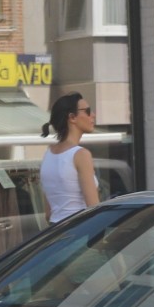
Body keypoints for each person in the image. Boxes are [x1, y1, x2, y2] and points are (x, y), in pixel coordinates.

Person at [39, 93, 100, 223]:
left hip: (55, 230)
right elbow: (93, 207)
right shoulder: (81, 154)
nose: (93, 115)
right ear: (72, 117)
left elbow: (48, 214)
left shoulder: (48, 154)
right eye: (88, 111)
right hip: (78, 230)